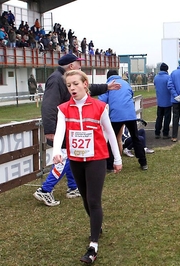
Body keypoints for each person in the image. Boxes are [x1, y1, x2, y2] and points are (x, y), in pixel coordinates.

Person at [53, 70, 122, 264]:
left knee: (93, 199)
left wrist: (117, 159)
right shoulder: (64, 109)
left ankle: (93, 246)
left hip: (97, 159)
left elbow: (110, 133)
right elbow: (60, 132)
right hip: (76, 160)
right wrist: (56, 150)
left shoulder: (100, 107)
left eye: (75, 84)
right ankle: (96, 223)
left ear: (85, 84)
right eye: (69, 85)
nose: (72, 88)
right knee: (85, 197)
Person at [33, 53, 121, 207]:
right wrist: (50, 129)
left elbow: (87, 88)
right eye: (78, 63)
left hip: (72, 128)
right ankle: (45, 190)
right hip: (62, 127)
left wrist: (107, 87)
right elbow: (48, 105)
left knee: (73, 156)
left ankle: (73, 187)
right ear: (71, 66)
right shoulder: (56, 80)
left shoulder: (68, 80)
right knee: (66, 158)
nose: (81, 66)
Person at [98, 70, 148, 171]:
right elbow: (130, 94)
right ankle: (143, 163)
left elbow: (101, 101)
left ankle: (109, 165)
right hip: (130, 114)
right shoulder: (126, 83)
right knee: (135, 137)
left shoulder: (108, 85)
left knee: (112, 139)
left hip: (116, 115)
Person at [153, 62, 172, 139]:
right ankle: (165, 133)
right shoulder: (168, 77)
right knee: (167, 118)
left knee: (159, 117)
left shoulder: (156, 77)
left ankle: (157, 132)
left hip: (159, 101)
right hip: (167, 101)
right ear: (166, 70)